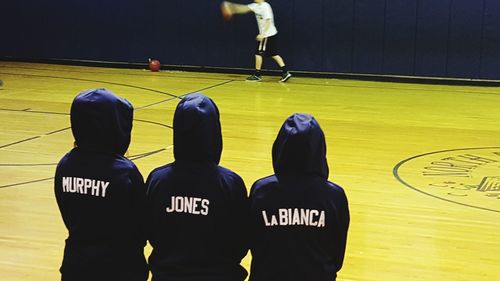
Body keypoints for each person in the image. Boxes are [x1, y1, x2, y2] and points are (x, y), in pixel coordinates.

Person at [145, 93, 249, 281]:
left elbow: (148, 230)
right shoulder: (230, 183)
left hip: (167, 275)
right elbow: (241, 241)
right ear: (214, 131)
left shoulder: (157, 179)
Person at [54, 88, 148, 281]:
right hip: (120, 267)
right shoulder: (125, 172)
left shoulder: (65, 165)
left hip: (76, 263)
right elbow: (140, 225)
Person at [248, 113, 350, 281]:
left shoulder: (262, 190)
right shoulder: (334, 195)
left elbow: (251, 240)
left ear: (280, 146)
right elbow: (337, 253)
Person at [223, 0, 292, 82]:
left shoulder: (265, 6)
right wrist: (231, 7)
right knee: (274, 54)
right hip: (271, 33)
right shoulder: (255, 6)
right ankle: (285, 72)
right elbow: (243, 8)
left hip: (267, 34)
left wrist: (263, 34)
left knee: (258, 54)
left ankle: (257, 75)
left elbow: (268, 21)